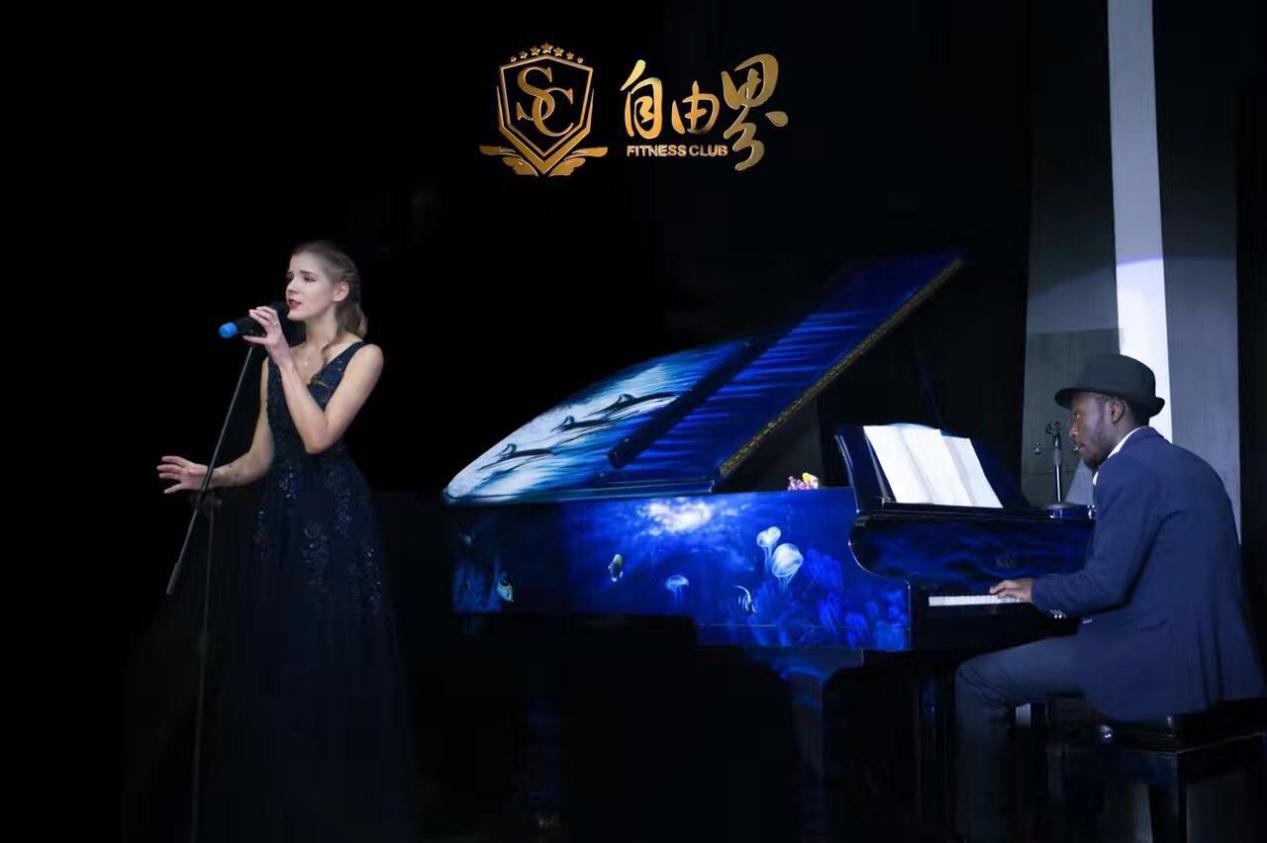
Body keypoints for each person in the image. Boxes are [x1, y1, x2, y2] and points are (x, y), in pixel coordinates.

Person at [158, 240, 419, 840]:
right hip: (279, 520)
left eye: (306, 278)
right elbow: (261, 457)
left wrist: (281, 359)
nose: (291, 288)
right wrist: (211, 474)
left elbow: (319, 436)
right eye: (288, 277)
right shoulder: (275, 362)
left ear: (339, 291)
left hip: (334, 522)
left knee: (326, 661)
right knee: (276, 668)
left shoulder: (364, 356)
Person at [954, 353, 1265, 842]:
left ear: (1114, 410)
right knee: (1052, 680)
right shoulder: (1193, 468)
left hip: (1151, 658)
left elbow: (1104, 586)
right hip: (1213, 664)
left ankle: (985, 834)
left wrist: (1037, 588)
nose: (1073, 430)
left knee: (977, 679)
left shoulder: (1127, 470)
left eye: (1079, 415)